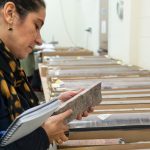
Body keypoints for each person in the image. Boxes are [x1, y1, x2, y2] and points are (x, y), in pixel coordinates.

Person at [0, 0, 93, 149]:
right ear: (10, 13)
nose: (39, 40)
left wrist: (57, 105)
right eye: (36, 26)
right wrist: (44, 134)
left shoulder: (10, 66)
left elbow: (22, 121)